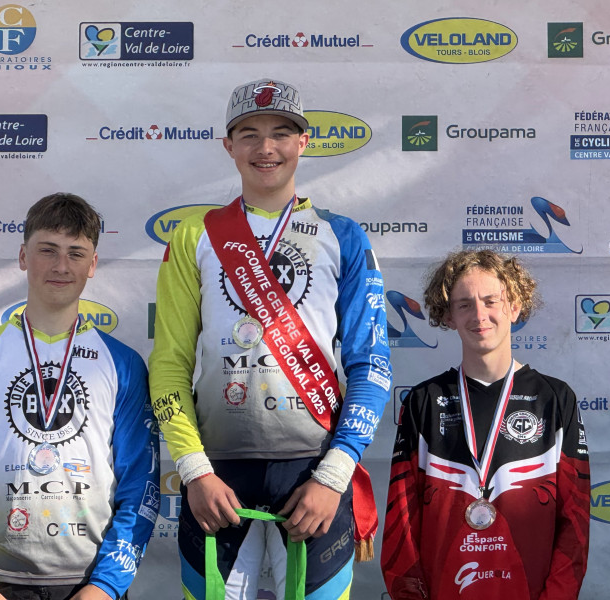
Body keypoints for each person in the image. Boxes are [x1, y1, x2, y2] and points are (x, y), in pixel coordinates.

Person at [149, 78, 392, 599]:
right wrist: (193, 470)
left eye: (281, 133)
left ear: (303, 142)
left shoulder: (343, 235)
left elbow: (371, 365)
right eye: (249, 134)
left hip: (315, 472)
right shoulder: (194, 236)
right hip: (216, 474)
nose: (266, 147)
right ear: (228, 145)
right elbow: (169, 365)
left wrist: (334, 476)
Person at [0, 193, 159, 600]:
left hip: (92, 584)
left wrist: (106, 586)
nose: (61, 266)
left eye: (75, 253)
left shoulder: (123, 363)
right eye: (47, 250)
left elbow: (140, 485)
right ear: (23, 256)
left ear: (92, 265)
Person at [381, 249, 590, 600]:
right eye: (464, 305)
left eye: (491, 301)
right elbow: (401, 521)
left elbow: (575, 522)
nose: (479, 315)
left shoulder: (554, 399)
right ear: (448, 316)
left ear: (515, 307)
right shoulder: (423, 401)